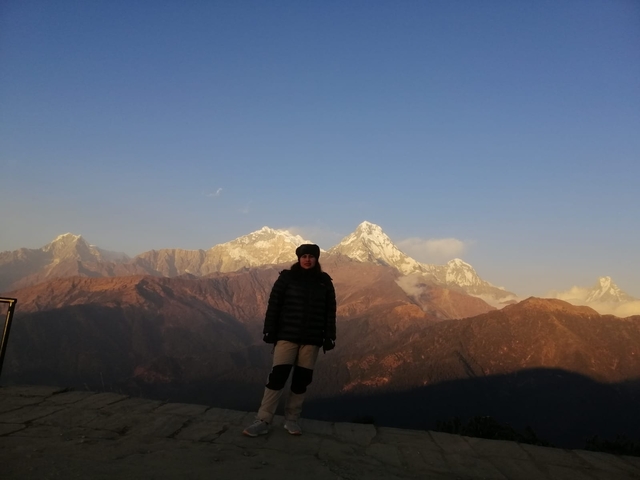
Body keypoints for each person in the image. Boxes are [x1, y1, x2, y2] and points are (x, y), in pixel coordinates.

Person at [243, 244, 337, 436]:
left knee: (301, 381)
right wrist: (270, 330)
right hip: (286, 336)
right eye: (304, 256)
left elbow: (330, 312)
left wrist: (329, 336)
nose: (308, 259)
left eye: (311, 256)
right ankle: (263, 419)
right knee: (277, 377)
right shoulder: (287, 278)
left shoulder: (324, 282)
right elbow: (274, 304)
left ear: (317, 259)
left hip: (311, 339)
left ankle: (292, 420)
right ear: (298, 258)